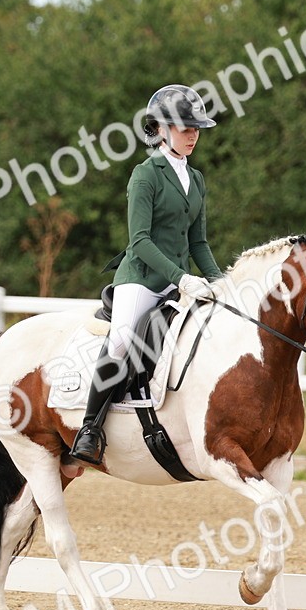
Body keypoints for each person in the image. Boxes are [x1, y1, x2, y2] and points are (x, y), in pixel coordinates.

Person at [69, 84, 223, 465]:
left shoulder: (197, 179)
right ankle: (90, 427)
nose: (193, 135)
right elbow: (139, 241)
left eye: (196, 128)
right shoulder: (145, 175)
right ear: (163, 129)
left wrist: (220, 283)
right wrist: (181, 277)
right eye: (186, 128)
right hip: (140, 279)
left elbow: (198, 242)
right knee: (121, 340)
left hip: (177, 280)